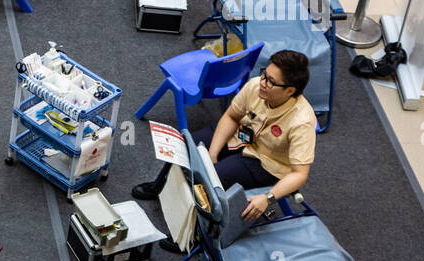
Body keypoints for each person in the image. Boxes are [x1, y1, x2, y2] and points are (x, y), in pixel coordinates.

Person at [133, 50, 316, 225]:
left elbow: (299, 174)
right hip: (241, 134)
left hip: (265, 161)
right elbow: (231, 116)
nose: (262, 82)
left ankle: (191, 233)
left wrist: (268, 198)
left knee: (209, 181)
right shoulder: (255, 85)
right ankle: (159, 186)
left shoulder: (302, 122)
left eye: (270, 81)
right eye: (264, 74)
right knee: (183, 146)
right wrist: (211, 153)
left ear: (290, 91)